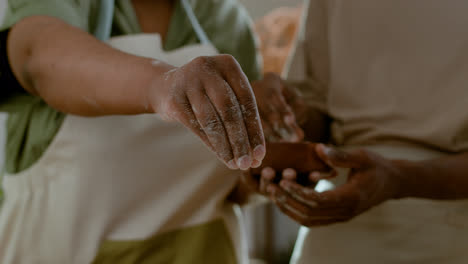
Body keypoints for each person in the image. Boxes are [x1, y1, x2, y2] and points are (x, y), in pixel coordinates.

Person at [0, 0, 266, 263]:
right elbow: (37, 55)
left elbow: (232, 176)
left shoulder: (227, 21)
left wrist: (262, 176)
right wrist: (160, 85)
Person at [248, 0, 468, 263]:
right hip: (337, 224)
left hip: (450, 230)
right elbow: (317, 109)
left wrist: (399, 179)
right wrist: (285, 128)